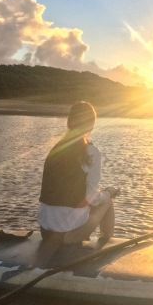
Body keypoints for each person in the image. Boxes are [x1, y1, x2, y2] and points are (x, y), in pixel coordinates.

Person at [38, 101, 117, 261]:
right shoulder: (91, 152)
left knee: (92, 201)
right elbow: (92, 198)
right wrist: (108, 193)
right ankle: (107, 247)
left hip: (45, 231)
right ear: (92, 125)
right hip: (67, 235)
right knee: (108, 200)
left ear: (69, 122)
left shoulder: (56, 149)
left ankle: (87, 240)